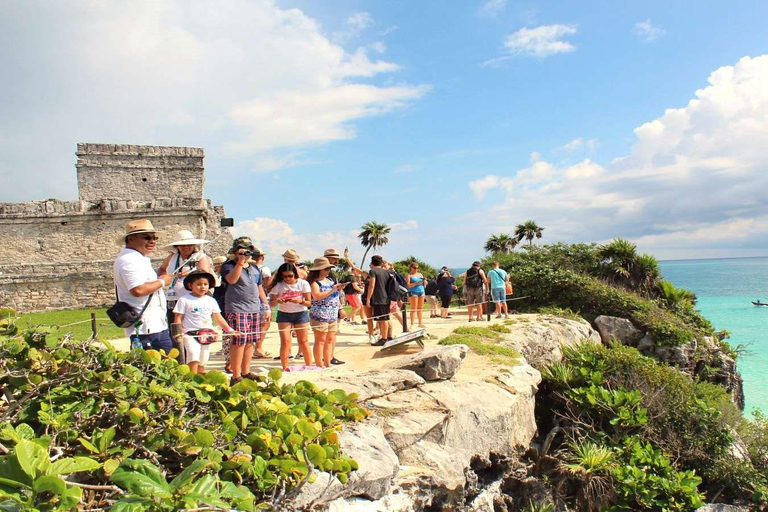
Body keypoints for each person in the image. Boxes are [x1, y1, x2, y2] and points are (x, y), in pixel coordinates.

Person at [112, 219, 173, 353]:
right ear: (131, 239)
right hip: (144, 327)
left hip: (154, 325)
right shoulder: (129, 261)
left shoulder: (137, 259)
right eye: (146, 237)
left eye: (154, 238)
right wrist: (162, 282)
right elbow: (138, 290)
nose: (152, 241)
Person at [220, 237, 269, 385]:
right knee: (238, 341)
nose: (245, 253)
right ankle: (236, 375)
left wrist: (265, 306)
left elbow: (259, 287)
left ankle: (246, 371)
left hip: (253, 308)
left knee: (250, 341)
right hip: (237, 308)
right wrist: (240, 262)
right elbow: (232, 280)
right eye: (241, 250)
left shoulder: (254, 268)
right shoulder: (228, 265)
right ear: (235, 251)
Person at [173, 270, 237, 374]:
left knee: (203, 358)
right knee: (193, 355)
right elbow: (178, 318)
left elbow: (218, 317)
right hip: (190, 333)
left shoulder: (211, 300)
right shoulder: (184, 300)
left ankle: (200, 379)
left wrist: (229, 330)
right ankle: (191, 379)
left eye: (205, 284)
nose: (202, 287)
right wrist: (178, 332)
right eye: (198, 284)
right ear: (190, 285)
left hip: (207, 334)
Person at [158, 230, 213, 327]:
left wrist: (190, 274)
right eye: (183, 245)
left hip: (192, 300)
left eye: (189, 244)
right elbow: (162, 269)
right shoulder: (172, 257)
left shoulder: (200, 257)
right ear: (177, 246)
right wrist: (163, 278)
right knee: (175, 327)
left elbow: (205, 274)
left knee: (192, 326)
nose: (186, 247)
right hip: (173, 299)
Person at [268, 263, 312, 371]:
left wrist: (300, 301)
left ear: (295, 275)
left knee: (303, 341)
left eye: (290, 276)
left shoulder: (303, 283)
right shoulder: (278, 285)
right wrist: (277, 301)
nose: (287, 278)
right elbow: (271, 303)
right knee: (285, 341)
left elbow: (309, 303)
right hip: (284, 314)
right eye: (284, 276)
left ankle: (309, 366)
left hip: (300, 314)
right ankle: (285, 367)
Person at [307, 257, 346, 367]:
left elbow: (335, 297)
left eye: (329, 269)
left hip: (332, 314)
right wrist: (333, 289)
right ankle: (319, 364)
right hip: (320, 315)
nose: (328, 271)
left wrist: (340, 307)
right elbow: (317, 296)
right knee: (320, 340)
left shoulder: (330, 281)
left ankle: (328, 362)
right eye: (326, 269)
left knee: (329, 339)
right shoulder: (315, 283)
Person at [366, 255, 392, 345]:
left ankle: (384, 338)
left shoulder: (373, 272)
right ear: (381, 262)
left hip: (378, 298)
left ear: (372, 262)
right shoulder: (386, 272)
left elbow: (372, 285)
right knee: (383, 318)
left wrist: (368, 298)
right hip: (386, 297)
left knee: (383, 319)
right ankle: (385, 336)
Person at [251, 248, 273, 346]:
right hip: (262, 297)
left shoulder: (250, 267)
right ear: (262, 258)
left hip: (251, 298)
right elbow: (268, 285)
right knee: (265, 323)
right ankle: (258, 346)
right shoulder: (265, 269)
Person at [406, 262, 427, 328]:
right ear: (411, 268)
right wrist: (416, 283)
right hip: (413, 292)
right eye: (415, 268)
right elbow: (408, 285)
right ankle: (412, 323)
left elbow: (424, 282)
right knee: (413, 308)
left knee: (420, 308)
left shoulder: (420, 274)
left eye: (417, 268)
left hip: (421, 291)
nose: (416, 269)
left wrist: (425, 282)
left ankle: (420, 323)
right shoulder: (409, 275)